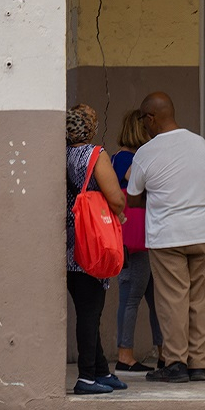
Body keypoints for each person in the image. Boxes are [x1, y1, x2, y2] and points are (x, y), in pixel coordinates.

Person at [127, 92, 205, 383]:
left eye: (144, 120)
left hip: (168, 236)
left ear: (151, 118)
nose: (144, 126)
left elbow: (134, 198)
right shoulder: (199, 143)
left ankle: (176, 362)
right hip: (203, 232)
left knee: (173, 300)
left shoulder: (147, 152)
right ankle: (197, 364)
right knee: (198, 299)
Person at [65, 104, 127, 395]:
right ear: (89, 127)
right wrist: (121, 211)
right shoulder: (94, 154)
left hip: (70, 241)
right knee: (90, 312)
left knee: (87, 307)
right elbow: (116, 198)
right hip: (93, 240)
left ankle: (101, 370)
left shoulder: (61, 154)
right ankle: (86, 377)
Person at [112, 109, 163, 372]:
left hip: (143, 238)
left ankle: (162, 349)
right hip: (134, 240)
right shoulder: (124, 160)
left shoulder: (124, 158)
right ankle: (125, 355)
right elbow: (144, 185)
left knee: (156, 299)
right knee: (131, 297)